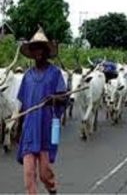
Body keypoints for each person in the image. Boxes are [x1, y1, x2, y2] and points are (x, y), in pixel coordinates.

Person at [17, 26, 68, 194]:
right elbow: (23, 105)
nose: (38, 52)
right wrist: (19, 128)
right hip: (29, 131)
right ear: (31, 52)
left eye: (41, 48)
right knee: (29, 175)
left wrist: (53, 99)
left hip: (46, 128)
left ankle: (52, 189)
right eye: (35, 48)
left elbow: (65, 97)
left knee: (44, 174)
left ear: (47, 51)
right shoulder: (27, 76)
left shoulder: (55, 74)